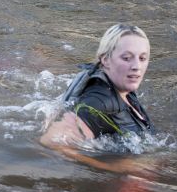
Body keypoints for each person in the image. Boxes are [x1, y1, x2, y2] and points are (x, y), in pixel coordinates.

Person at [40, 24, 155, 173]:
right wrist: (109, 166)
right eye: (126, 58)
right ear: (105, 60)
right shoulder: (98, 103)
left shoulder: (122, 86)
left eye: (142, 58)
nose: (136, 66)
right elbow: (50, 142)